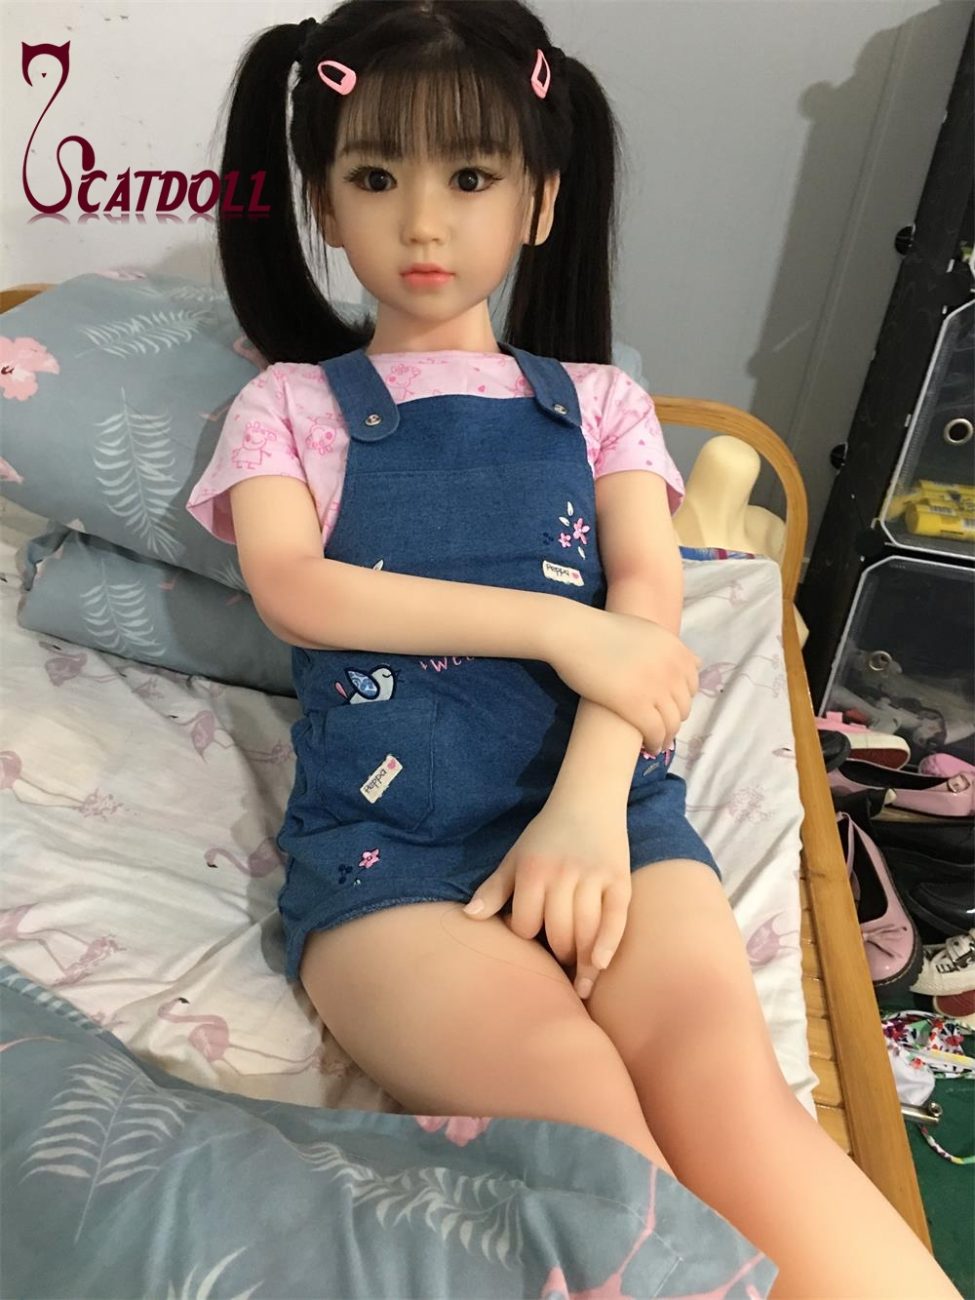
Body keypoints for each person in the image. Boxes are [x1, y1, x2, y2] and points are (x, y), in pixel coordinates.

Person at [186, 5, 962, 1296]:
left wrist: (590, 807)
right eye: (374, 177)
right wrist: (557, 622)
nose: (421, 224)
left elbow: (649, 602)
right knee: (594, 1141)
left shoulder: (602, 404)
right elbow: (295, 592)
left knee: (734, 1106)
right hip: (390, 860)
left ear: (540, 200)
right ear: (321, 202)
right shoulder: (287, 404)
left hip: (620, 820)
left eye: (470, 177)